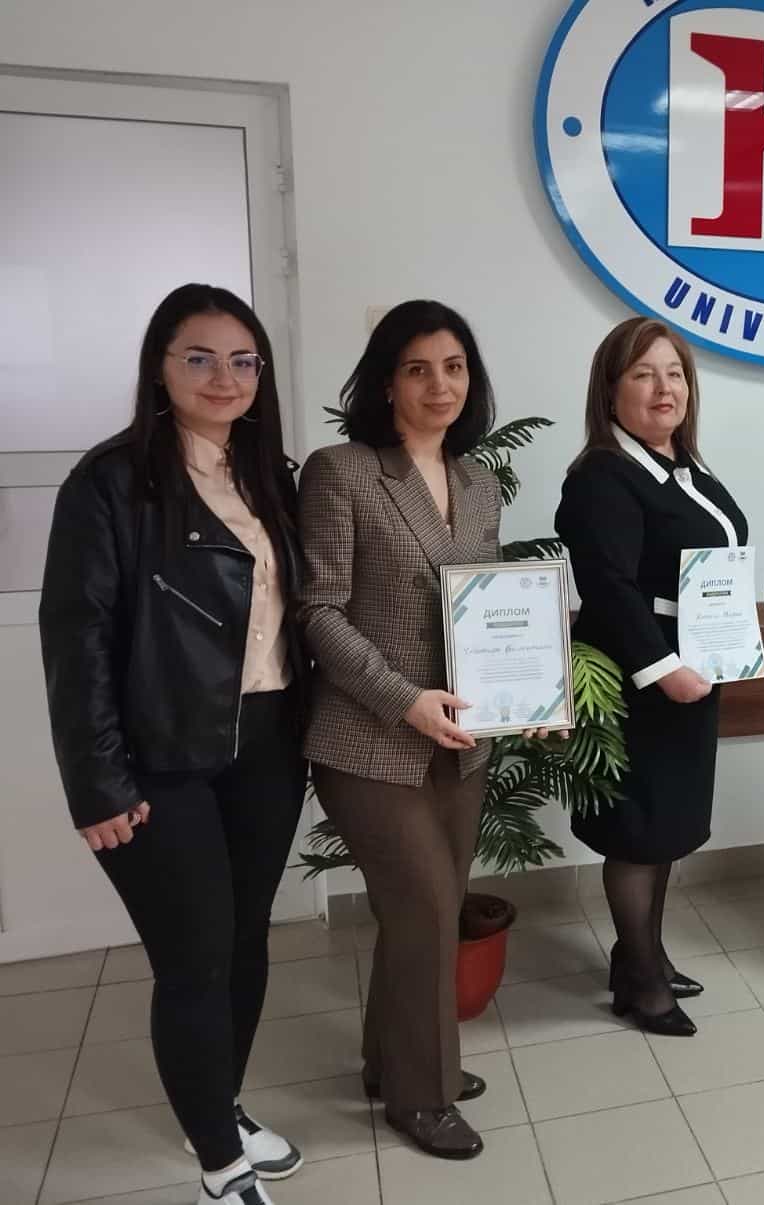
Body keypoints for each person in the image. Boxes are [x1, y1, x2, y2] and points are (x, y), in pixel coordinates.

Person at [40, 284, 307, 1205]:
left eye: (242, 360)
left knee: (246, 941)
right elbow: (76, 638)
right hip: (163, 753)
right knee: (194, 956)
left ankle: (218, 1108)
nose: (223, 377)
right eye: (199, 357)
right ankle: (221, 1168)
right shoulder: (111, 482)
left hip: (268, 743)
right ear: (160, 367)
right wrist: (97, 783)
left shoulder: (271, 475)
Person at [299, 301, 505, 1161]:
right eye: (418, 368)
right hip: (369, 735)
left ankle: (391, 1060)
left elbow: (487, 610)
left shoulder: (480, 482)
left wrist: (522, 693)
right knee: (424, 902)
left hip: (460, 738)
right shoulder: (343, 471)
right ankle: (422, 1095)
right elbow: (319, 610)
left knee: (429, 907)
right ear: (386, 382)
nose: (439, 385)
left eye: (454, 367)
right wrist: (404, 698)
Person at [555, 316, 748, 1037]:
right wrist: (663, 670)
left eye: (674, 373)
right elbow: (608, 585)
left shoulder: (684, 466)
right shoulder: (602, 475)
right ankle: (641, 984)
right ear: (611, 390)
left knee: (665, 825)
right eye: (643, 374)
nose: (664, 388)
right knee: (636, 832)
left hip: (694, 671)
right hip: (644, 680)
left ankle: (645, 955)